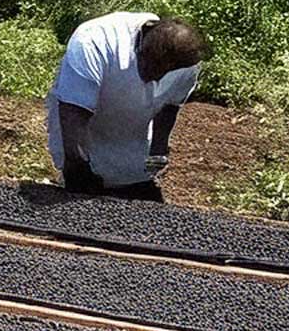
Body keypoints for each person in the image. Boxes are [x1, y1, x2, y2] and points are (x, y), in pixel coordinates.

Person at [45, 12, 209, 203]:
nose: (155, 78)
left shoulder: (186, 60)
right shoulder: (93, 41)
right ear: (143, 50)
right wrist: (76, 164)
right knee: (79, 196)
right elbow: (74, 110)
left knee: (136, 192)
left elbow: (169, 107)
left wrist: (157, 151)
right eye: (153, 67)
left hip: (131, 131)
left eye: (165, 72)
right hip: (83, 128)